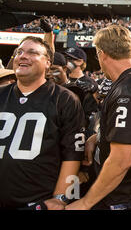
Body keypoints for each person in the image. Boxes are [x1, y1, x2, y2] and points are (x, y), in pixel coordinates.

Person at [66, 25, 131, 210]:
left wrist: (86, 203)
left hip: (124, 196)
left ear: (101, 54)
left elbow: (121, 161)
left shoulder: (127, 92)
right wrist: (99, 137)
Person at [0, 36, 85, 209]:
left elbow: (73, 155)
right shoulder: (1, 94)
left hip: (37, 201)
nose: (23, 56)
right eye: (19, 52)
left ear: (48, 62)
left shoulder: (64, 99)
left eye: (32, 53)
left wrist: (61, 198)